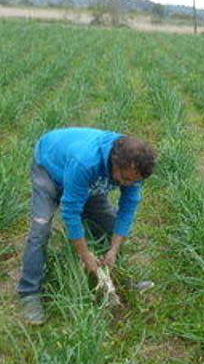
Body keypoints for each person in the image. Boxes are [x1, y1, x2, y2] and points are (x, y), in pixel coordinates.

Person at [17, 127, 156, 324]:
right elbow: (70, 211)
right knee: (40, 228)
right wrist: (85, 255)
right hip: (50, 168)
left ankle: (119, 280)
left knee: (110, 223)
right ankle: (29, 293)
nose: (126, 184)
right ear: (114, 163)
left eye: (132, 182)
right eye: (124, 179)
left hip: (83, 176)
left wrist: (114, 250)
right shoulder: (86, 162)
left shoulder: (134, 170)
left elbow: (127, 210)